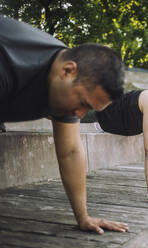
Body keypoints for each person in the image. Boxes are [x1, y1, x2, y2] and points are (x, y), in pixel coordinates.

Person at [0, 15, 127, 234]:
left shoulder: (66, 78)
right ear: (67, 71)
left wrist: (83, 217)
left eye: (89, 110)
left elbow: (70, 151)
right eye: (82, 103)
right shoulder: (8, 63)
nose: (79, 114)